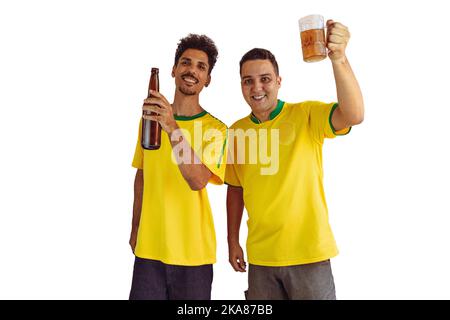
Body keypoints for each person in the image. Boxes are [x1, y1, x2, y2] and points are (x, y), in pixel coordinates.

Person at [225, 20, 364, 300]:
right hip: (261, 260)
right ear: (240, 85)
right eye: (248, 80)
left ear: (278, 81)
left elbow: (354, 115)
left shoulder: (306, 115)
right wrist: (232, 241)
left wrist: (339, 58)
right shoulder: (236, 131)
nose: (256, 87)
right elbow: (235, 188)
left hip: (309, 255)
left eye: (265, 78)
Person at [129, 34, 228, 300]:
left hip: (193, 255)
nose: (192, 70)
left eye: (201, 67)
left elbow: (196, 180)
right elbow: (142, 175)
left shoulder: (216, 130)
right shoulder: (150, 120)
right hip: (149, 250)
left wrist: (172, 126)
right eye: (186, 62)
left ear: (207, 80)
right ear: (173, 70)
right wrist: (135, 227)